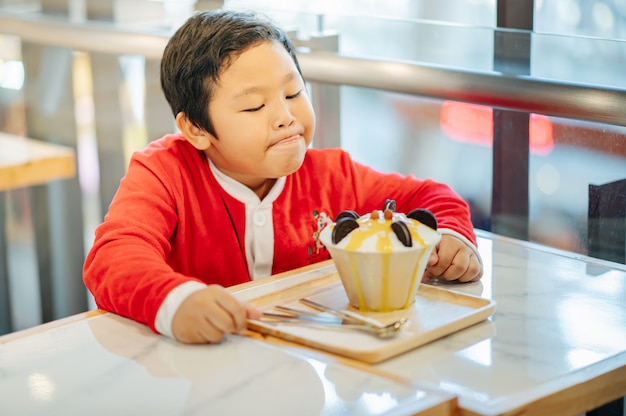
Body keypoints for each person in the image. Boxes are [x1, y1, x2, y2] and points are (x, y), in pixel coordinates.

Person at [83, 9, 483, 345]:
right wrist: (175, 301)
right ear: (197, 130)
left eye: (293, 94)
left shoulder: (331, 174)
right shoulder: (164, 173)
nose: (286, 117)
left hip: (312, 360)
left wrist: (451, 237)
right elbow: (112, 258)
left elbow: (431, 196)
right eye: (255, 106)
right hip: (199, 371)